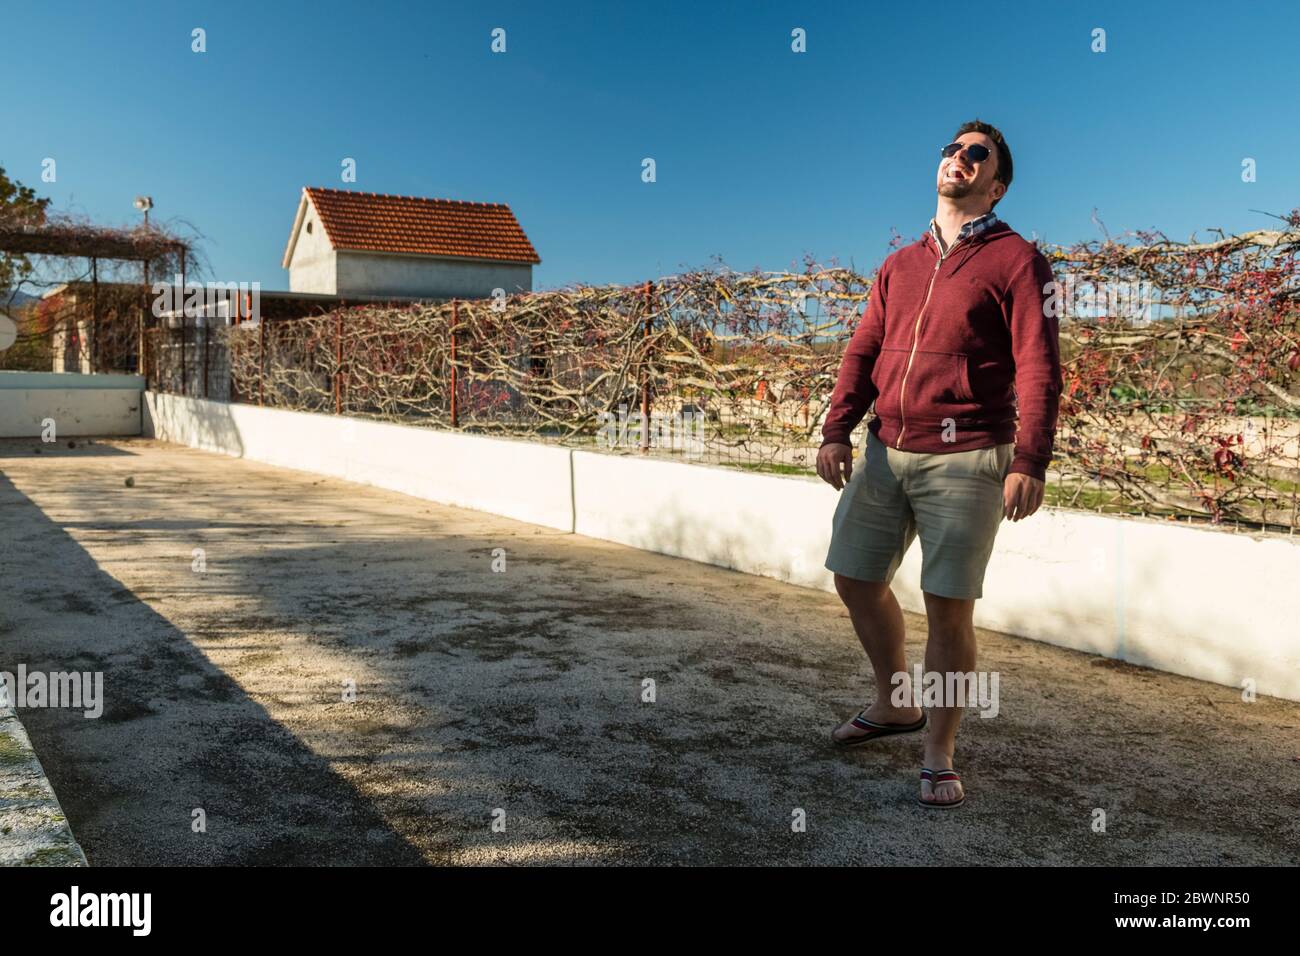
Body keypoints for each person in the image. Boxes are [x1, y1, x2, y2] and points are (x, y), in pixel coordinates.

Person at [815, 119, 1062, 809]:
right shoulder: (899, 265)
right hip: (887, 449)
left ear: (997, 184)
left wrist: (1031, 459)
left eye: (976, 153)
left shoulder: (1019, 260)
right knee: (854, 577)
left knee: (948, 607)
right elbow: (864, 351)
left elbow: (1038, 365)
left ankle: (938, 753)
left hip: (972, 455)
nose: (959, 158)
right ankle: (896, 703)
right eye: (952, 148)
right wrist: (838, 429)